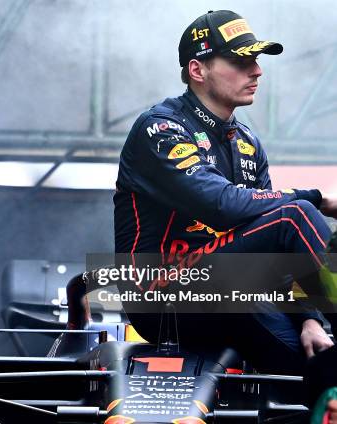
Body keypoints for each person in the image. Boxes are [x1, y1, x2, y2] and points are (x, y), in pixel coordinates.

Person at [113, 10, 337, 374]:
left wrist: (309, 318)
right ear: (198, 70)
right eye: (240, 60)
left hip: (233, 291)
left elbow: (277, 251)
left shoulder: (248, 141)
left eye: (256, 60)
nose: (257, 71)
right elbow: (222, 206)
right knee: (297, 215)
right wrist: (315, 196)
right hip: (159, 296)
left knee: (314, 362)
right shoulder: (160, 128)